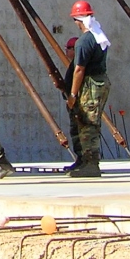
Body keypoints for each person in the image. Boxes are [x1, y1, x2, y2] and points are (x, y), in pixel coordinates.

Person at [65, 0, 110, 178]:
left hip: (91, 86)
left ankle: (91, 164)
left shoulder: (84, 41)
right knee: (86, 122)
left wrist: (73, 95)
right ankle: (84, 161)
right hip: (99, 83)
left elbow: (79, 69)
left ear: (78, 20)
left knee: (88, 124)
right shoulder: (97, 36)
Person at [60, 36, 82, 172]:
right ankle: (80, 160)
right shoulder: (74, 64)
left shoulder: (78, 65)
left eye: (68, 48)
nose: (66, 51)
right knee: (76, 132)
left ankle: (83, 160)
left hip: (77, 104)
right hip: (74, 104)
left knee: (80, 132)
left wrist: (72, 97)